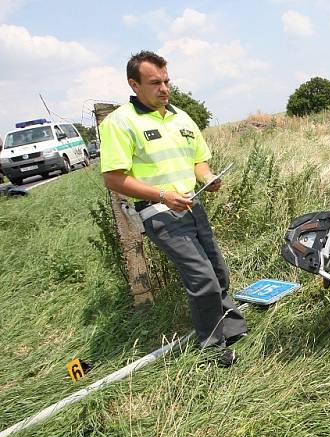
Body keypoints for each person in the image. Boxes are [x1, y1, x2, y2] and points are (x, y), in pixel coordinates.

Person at [99, 50, 247, 367]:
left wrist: (207, 177)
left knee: (217, 270)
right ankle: (212, 348)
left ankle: (232, 330)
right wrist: (162, 195)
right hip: (158, 211)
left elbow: (198, 159)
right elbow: (113, 178)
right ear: (134, 84)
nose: (164, 88)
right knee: (202, 277)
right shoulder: (120, 122)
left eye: (167, 81)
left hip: (192, 204)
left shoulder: (180, 116)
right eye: (155, 82)